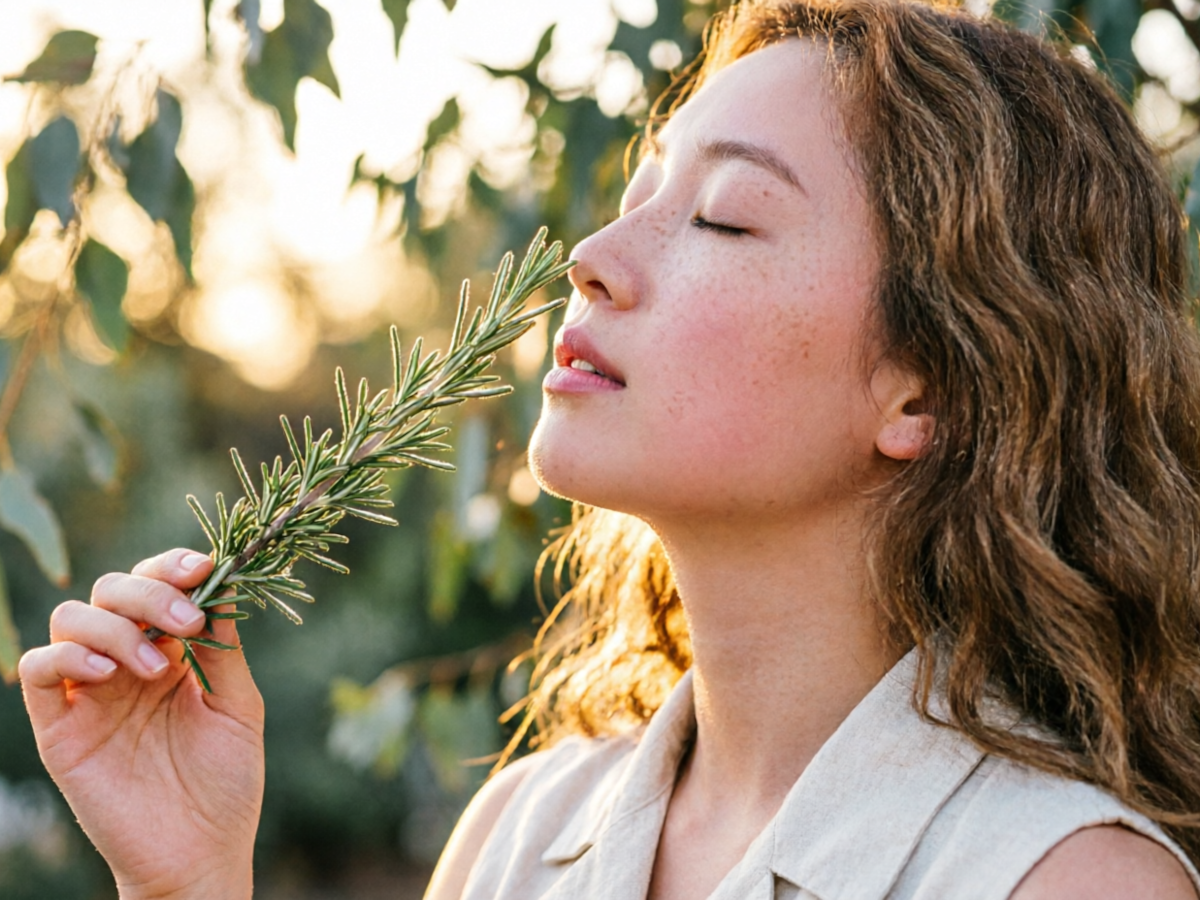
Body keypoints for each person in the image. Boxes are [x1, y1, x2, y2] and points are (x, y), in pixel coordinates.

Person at [18, 0, 1200, 896]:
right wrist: (188, 878)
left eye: (726, 216)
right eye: (639, 191)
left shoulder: (1058, 880)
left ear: (926, 383)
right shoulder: (521, 832)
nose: (589, 252)